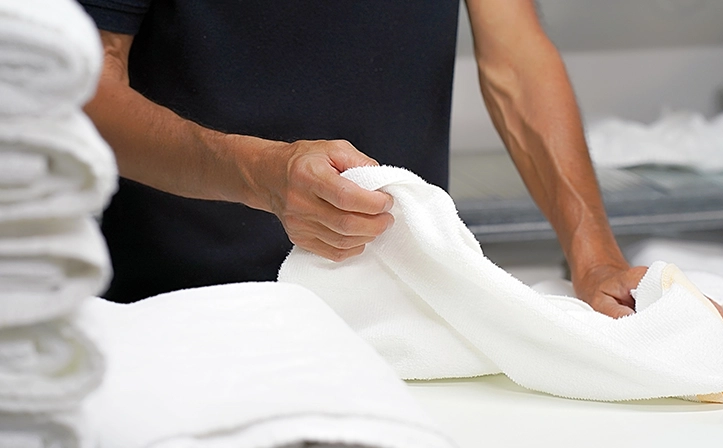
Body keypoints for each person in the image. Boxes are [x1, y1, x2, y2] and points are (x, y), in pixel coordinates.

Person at [79, 0, 647, 317]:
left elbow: (516, 61)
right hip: (177, 304)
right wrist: (259, 175)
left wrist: (594, 256)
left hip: (401, 298)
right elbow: (86, 85)